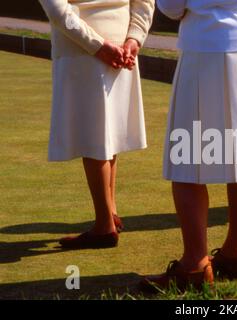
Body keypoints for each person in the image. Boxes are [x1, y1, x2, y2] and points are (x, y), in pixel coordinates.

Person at [139, 0, 237, 292]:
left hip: (206, 45)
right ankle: (235, 251)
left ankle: (194, 264)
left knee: (188, 158)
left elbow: (172, 7)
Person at [39, 0, 155, 248]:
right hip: (122, 48)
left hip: (84, 50)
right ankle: (110, 211)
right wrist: (133, 39)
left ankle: (104, 225)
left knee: (95, 138)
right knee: (106, 133)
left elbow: (57, 11)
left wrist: (100, 46)